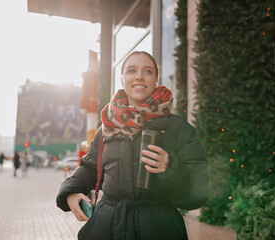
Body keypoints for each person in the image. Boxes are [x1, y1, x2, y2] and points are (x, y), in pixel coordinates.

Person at [56, 51, 208, 240]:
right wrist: (71, 191)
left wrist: (170, 169)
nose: (139, 76)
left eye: (147, 71)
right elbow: (90, 168)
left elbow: (199, 190)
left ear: (156, 79)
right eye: (131, 71)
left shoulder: (179, 129)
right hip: (106, 228)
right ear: (122, 78)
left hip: (159, 230)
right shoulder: (106, 128)